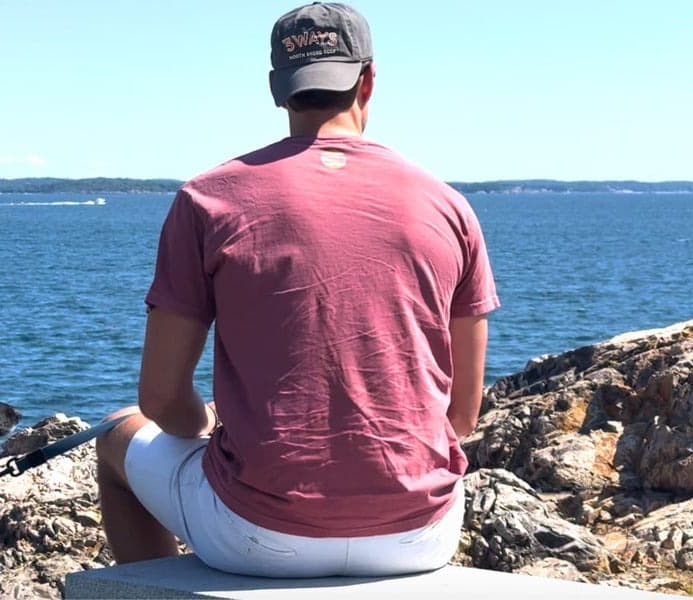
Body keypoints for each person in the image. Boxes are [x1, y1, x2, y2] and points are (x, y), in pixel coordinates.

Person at [95, 2, 499, 578]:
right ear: (368, 79)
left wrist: (208, 427)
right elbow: (460, 417)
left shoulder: (208, 199)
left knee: (115, 435)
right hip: (419, 534)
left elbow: (161, 402)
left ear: (276, 89)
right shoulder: (449, 206)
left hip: (257, 535)